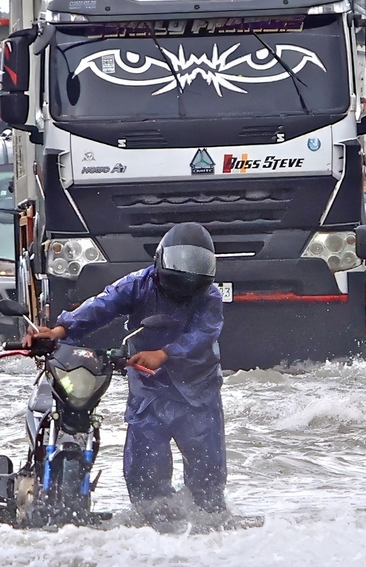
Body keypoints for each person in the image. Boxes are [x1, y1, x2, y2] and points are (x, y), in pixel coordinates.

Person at [27, 222, 227, 518]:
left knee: (207, 475)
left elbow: (202, 334)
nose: (186, 278)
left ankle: (210, 526)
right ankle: (151, 524)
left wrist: (165, 354)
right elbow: (102, 305)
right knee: (145, 473)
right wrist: (61, 330)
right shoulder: (138, 284)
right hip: (150, 388)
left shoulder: (209, 297)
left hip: (197, 389)